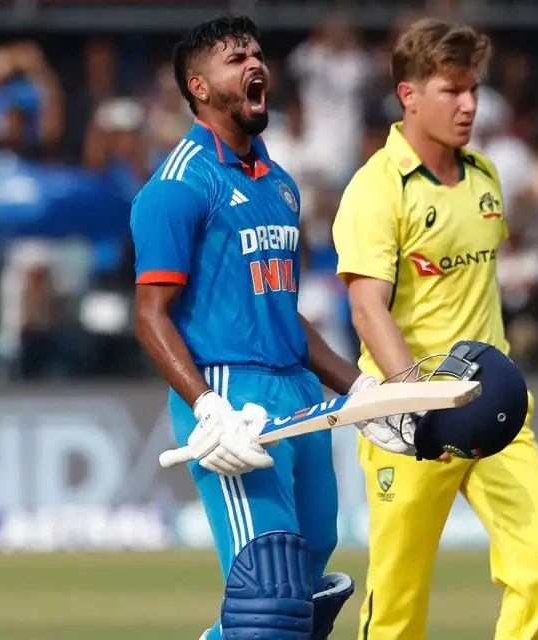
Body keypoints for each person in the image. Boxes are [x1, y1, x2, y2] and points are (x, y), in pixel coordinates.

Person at [130, 16, 419, 640]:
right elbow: (149, 317)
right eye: (236, 60)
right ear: (199, 87)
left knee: (306, 579)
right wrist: (208, 407)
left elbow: (283, 312)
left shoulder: (281, 186)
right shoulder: (177, 186)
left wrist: (363, 390)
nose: (255, 65)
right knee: (269, 592)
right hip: (232, 398)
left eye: (258, 54)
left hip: (300, 393)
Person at [331, 18, 538, 640]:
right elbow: (367, 309)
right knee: (398, 606)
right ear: (408, 95)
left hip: (496, 408)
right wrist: (413, 398)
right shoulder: (376, 189)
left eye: (474, 90)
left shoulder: (487, 177)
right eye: (451, 90)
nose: (468, 105)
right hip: (408, 416)